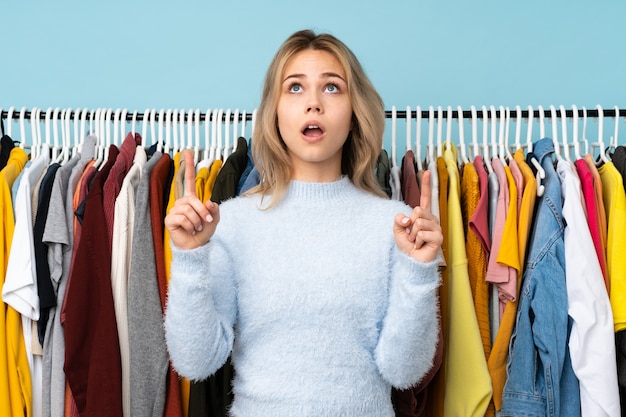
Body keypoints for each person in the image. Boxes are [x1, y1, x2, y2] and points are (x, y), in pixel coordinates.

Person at [164, 29, 443, 417]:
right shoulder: (233, 222)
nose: (313, 103)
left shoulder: (392, 225)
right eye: (294, 88)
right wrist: (190, 258)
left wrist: (418, 271)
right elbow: (196, 363)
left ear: (354, 110)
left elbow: (405, 372)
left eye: (332, 88)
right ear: (275, 111)